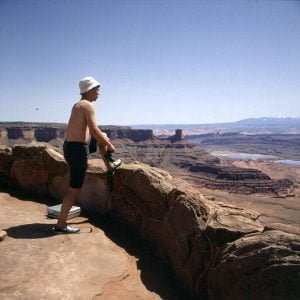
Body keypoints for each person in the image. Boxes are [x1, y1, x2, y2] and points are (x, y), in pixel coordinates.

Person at [54, 76, 121, 234]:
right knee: (74, 189)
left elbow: (94, 133)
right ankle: (61, 224)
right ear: (89, 90)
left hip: (72, 146)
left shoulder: (78, 104)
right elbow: (94, 130)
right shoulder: (87, 106)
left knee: (103, 135)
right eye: (96, 90)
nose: (99, 93)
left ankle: (109, 165)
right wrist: (110, 145)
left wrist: (104, 139)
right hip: (77, 150)